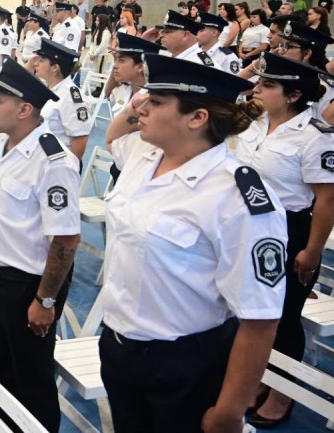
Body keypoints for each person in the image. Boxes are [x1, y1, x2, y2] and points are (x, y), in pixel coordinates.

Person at [102, 54, 286, 433]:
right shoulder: (143, 154)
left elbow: (260, 318)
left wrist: (229, 411)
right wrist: (140, 101)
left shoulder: (239, 196)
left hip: (184, 363)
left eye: (155, 103)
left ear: (197, 117)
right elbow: (112, 137)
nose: (142, 109)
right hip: (119, 348)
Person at [0, 58, 81, 431]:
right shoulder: (5, 142)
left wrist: (45, 300)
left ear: (24, 109)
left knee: (32, 377)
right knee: (7, 367)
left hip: (29, 286)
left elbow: (66, 239)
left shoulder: (53, 162)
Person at [234, 53, 334, 428]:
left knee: (283, 317)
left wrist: (312, 251)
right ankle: (260, 377)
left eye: (268, 85)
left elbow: (326, 201)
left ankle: (282, 392)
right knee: (252, 312)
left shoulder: (314, 138)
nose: (257, 89)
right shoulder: (254, 124)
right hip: (245, 226)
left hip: (288, 232)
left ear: (292, 96)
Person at [30, 39, 94, 162]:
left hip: (57, 166)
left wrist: (68, 171)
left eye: (41, 61)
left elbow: (80, 139)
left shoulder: (71, 97)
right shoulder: (46, 88)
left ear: (55, 68)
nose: (36, 64)